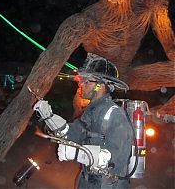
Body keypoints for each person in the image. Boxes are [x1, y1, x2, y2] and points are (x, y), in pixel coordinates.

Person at [34, 53, 133, 189]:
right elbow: (76, 132)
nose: (81, 84)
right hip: (87, 182)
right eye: (82, 80)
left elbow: (117, 158)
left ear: (100, 85)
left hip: (108, 186)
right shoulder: (91, 110)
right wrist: (50, 119)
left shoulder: (115, 114)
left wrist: (77, 153)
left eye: (87, 80)